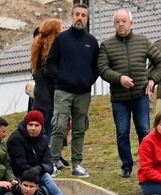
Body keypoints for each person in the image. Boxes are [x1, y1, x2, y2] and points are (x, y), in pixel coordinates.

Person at [98, 9, 161, 178]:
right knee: (122, 132)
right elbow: (102, 69)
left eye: (124, 21)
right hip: (119, 98)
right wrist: (119, 78)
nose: (121, 24)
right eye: (117, 22)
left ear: (131, 23)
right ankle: (126, 166)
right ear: (114, 24)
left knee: (144, 131)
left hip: (140, 96)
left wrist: (152, 80)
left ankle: (148, 164)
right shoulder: (106, 45)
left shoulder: (142, 41)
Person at [45, 3, 99, 177]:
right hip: (63, 92)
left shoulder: (91, 41)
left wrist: (88, 81)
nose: (80, 18)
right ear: (71, 16)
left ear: (87, 18)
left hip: (83, 93)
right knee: (59, 126)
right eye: (77, 14)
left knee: (79, 129)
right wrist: (61, 78)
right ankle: (53, 162)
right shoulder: (61, 39)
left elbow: (96, 67)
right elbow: (50, 63)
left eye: (83, 15)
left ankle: (77, 164)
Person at [6, 110, 89, 195]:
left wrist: (39, 168)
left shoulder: (43, 139)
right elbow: (20, 165)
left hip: (38, 175)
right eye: (30, 125)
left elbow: (49, 164)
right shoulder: (16, 139)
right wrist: (40, 169)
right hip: (20, 177)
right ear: (26, 125)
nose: (33, 128)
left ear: (41, 126)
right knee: (45, 180)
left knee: (46, 184)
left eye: (36, 125)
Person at [29, 18, 62, 145]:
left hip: (41, 96)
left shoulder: (38, 47)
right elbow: (49, 72)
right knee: (49, 127)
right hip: (48, 96)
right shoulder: (50, 49)